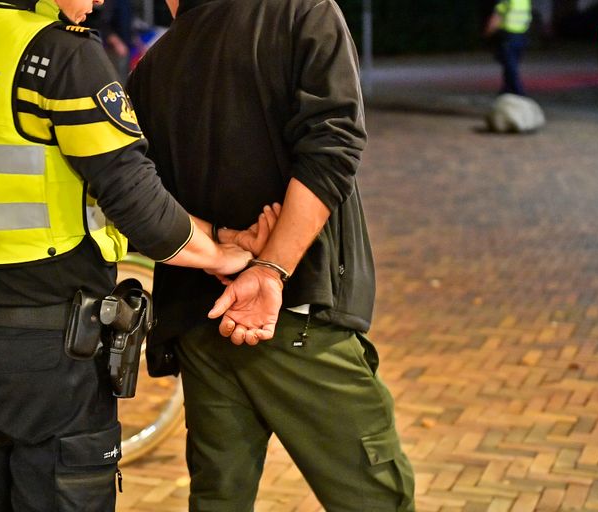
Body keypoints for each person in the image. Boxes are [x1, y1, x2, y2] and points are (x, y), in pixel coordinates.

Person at [0, 0, 255, 510]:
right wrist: (221, 256)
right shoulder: (58, 54)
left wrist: (209, 231)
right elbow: (133, 198)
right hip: (52, 356)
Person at [127, 0, 416, 510]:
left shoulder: (153, 66)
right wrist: (270, 267)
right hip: (290, 317)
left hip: (202, 321)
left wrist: (222, 245)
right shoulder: (302, 12)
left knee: (219, 498)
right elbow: (333, 147)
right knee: (376, 497)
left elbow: (141, 202)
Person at [484, 0, 532, 96]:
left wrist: (488, 32)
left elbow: (497, 18)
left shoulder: (507, 1)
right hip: (521, 35)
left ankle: (518, 90)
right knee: (512, 63)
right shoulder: (525, 1)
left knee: (510, 64)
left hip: (508, 36)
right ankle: (506, 89)